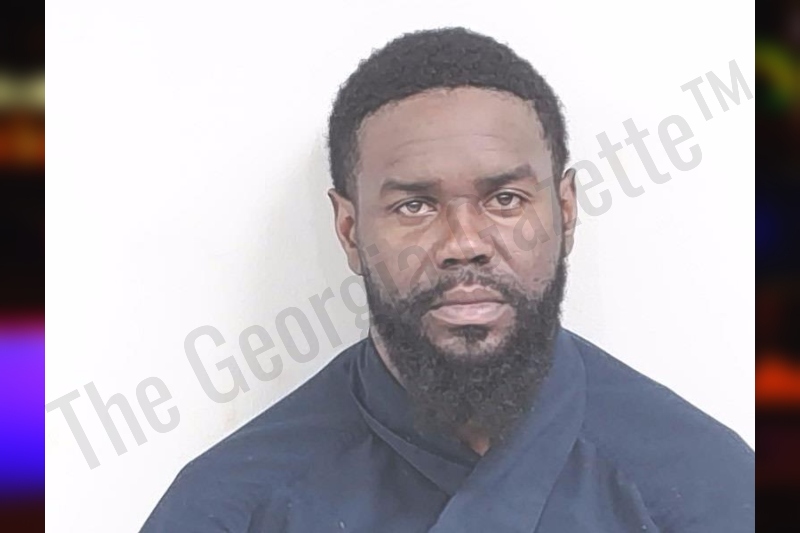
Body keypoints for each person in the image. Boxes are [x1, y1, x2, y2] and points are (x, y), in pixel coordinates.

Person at [141, 27, 754, 532]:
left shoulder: (706, 488)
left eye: (506, 199)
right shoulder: (231, 508)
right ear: (349, 230)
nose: (464, 244)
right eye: (415, 206)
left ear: (565, 212)